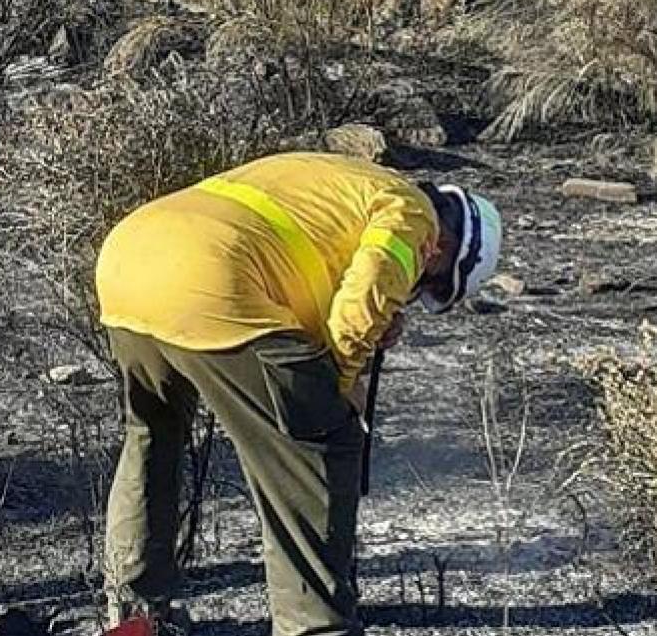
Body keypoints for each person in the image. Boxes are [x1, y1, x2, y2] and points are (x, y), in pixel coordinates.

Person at [94, 152, 502, 636]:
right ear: (445, 248)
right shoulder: (416, 214)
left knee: (152, 434)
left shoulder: (354, 179)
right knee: (320, 441)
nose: (415, 293)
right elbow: (364, 292)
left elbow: (295, 256)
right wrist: (344, 383)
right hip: (213, 281)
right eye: (428, 285)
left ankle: (135, 611)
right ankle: (316, 627)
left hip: (127, 262)